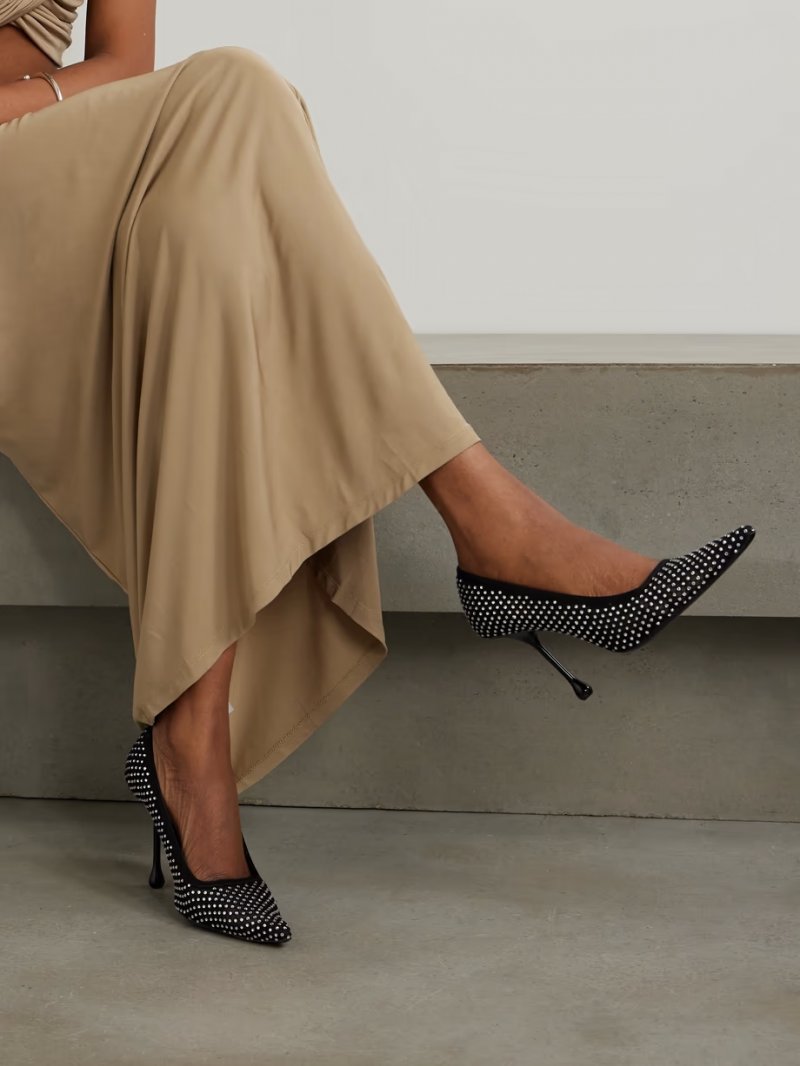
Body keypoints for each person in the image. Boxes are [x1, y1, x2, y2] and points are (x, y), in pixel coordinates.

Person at [0, 0, 756, 947]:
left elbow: (127, 66)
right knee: (236, 86)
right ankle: (489, 526)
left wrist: (35, 98)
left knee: (208, 236)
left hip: (56, 172)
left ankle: (192, 740)